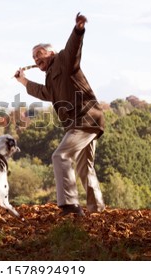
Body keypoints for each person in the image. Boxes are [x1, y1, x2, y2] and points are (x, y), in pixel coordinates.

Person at [15, 12, 105, 216]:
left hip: (85, 118)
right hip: (86, 121)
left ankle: (70, 205)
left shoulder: (64, 61)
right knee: (85, 168)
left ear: (51, 53)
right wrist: (24, 81)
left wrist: (78, 29)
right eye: (33, 56)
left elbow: (73, 48)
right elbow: (45, 93)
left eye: (39, 53)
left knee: (61, 155)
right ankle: (97, 209)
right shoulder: (51, 78)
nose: (36, 58)